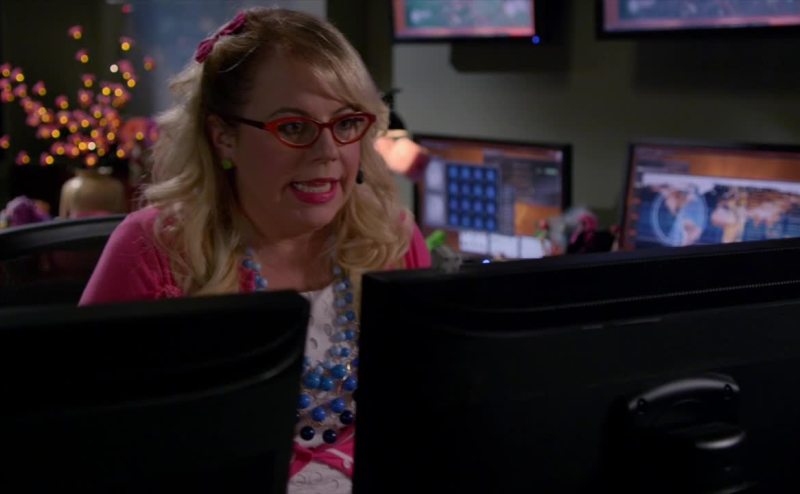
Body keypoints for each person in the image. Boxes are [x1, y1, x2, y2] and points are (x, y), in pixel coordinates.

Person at [79, 7, 431, 493]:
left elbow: (425, 415)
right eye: (294, 127)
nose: (328, 152)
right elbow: (82, 441)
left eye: (346, 122)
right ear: (224, 136)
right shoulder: (153, 249)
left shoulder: (391, 238)